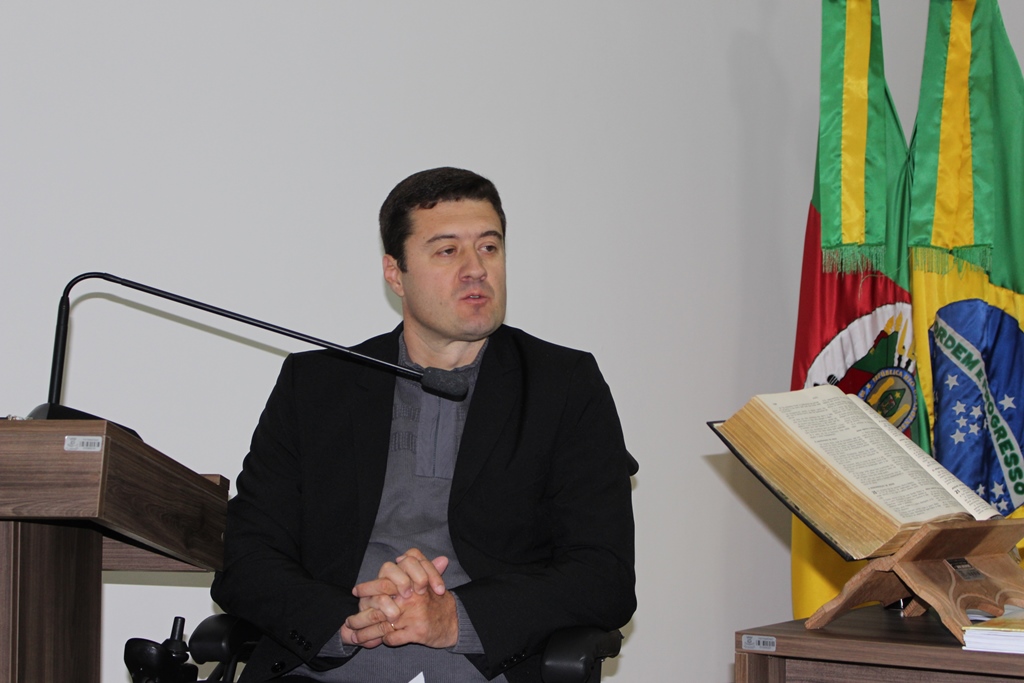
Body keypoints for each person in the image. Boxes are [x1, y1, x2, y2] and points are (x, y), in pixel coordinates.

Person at [211, 167, 637, 682]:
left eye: (489, 247)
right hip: (327, 663)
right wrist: (342, 622)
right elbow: (247, 557)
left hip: (483, 668)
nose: (476, 269)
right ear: (395, 273)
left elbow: (603, 576)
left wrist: (457, 617)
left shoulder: (563, 385)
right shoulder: (318, 385)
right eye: (447, 251)